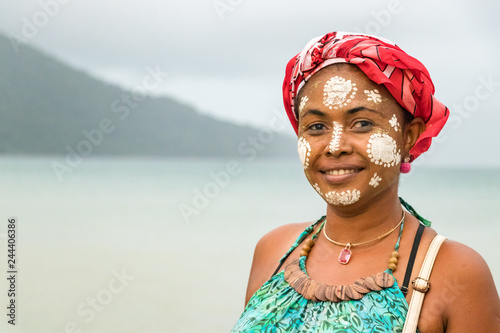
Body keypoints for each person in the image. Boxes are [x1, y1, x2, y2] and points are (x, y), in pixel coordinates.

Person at [231, 32, 500, 332]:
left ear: (408, 136)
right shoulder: (274, 251)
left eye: (362, 124)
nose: (335, 146)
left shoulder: (455, 273)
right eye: (316, 126)